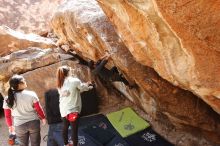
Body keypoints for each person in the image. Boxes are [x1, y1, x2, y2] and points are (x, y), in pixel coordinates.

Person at [3, 74, 46, 146]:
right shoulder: (32, 94)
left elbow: (7, 115)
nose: (25, 81)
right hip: (34, 123)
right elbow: (38, 109)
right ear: (19, 84)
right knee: (36, 143)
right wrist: (43, 118)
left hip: (19, 126)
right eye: (24, 81)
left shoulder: (7, 98)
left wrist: (10, 126)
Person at [57, 66, 94, 146]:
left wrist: (84, 85)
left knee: (65, 127)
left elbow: (73, 90)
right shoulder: (75, 81)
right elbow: (82, 88)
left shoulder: (59, 83)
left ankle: (66, 144)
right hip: (72, 111)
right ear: (69, 72)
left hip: (63, 110)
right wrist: (90, 86)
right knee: (74, 131)